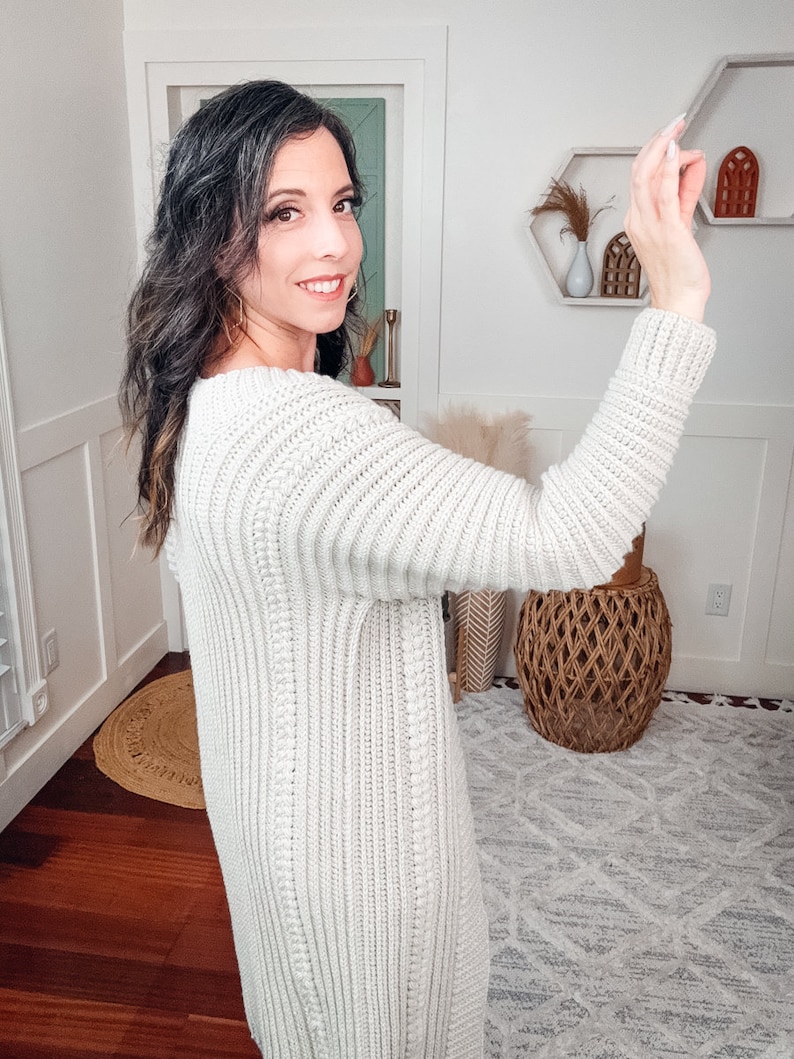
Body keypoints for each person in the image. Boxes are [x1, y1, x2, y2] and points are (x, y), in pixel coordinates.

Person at [120, 80, 714, 1058]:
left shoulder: (201, 410)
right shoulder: (309, 435)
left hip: (284, 851)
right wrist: (676, 298)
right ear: (210, 236)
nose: (334, 244)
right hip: (363, 880)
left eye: (342, 204)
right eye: (283, 212)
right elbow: (572, 535)